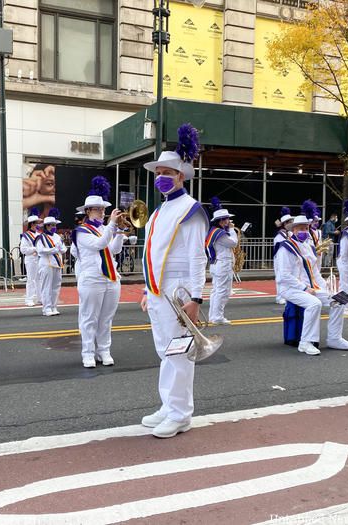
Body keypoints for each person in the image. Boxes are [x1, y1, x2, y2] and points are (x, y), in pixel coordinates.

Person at [139, 123, 208, 439]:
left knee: (179, 352)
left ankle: (181, 414)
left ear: (182, 175)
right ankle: (169, 406)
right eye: (158, 172)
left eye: (168, 172)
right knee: (164, 351)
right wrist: (147, 289)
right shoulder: (158, 211)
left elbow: (197, 256)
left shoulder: (190, 209)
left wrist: (196, 297)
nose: (161, 177)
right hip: (158, 291)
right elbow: (152, 253)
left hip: (178, 291)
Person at [275, 214, 348, 356]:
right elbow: (284, 276)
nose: (304, 231)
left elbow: (315, 272)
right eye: (301, 228)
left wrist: (326, 288)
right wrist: (304, 288)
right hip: (290, 288)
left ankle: (334, 338)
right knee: (314, 304)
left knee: (341, 299)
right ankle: (305, 342)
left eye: (306, 228)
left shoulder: (309, 247)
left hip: (311, 287)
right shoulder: (285, 248)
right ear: (293, 230)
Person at [72, 177, 125, 368]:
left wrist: (120, 232)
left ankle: (104, 350)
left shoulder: (105, 228)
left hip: (111, 278)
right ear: (87, 211)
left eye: (103, 209)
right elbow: (99, 244)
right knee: (89, 318)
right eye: (98, 209)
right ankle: (88, 353)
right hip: (92, 279)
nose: (102, 212)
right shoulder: (81, 231)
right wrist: (112, 226)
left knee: (106, 319)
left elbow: (114, 250)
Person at [206, 197, 238, 325]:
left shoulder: (214, 231)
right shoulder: (220, 233)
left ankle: (213, 316)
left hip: (218, 264)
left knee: (216, 291)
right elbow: (233, 243)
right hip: (222, 265)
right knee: (222, 291)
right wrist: (231, 229)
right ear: (221, 221)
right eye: (227, 219)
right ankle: (217, 316)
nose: (229, 221)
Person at [36, 209, 67, 316]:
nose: (53, 227)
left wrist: (60, 248)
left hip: (57, 263)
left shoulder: (58, 237)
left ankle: (54, 306)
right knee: (46, 286)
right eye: (51, 225)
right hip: (46, 263)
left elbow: (63, 249)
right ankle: (46, 308)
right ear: (46, 226)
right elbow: (40, 250)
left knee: (56, 286)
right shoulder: (41, 237)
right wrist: (53, 249)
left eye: (54, 225)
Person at [19, 210, 43, 307]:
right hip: (30, 259)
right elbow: (23, 250)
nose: (38, 224)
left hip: (38, 258)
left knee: (39, 279)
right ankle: (29, 299)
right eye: (36, 223)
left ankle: (40, 298)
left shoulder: (38, 234)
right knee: (31, 279)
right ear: (32, 224)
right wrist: (35, 249)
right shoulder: (26, 235)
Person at [273, 207, 294, 305]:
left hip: (289, 259)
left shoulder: (290, 233)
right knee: (280, 277)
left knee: (288, 278)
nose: (291, 223)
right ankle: (279, 296)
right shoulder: (279, 236)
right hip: (280, 259)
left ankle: (286, 295)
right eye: (289, 222)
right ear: (285, 224)